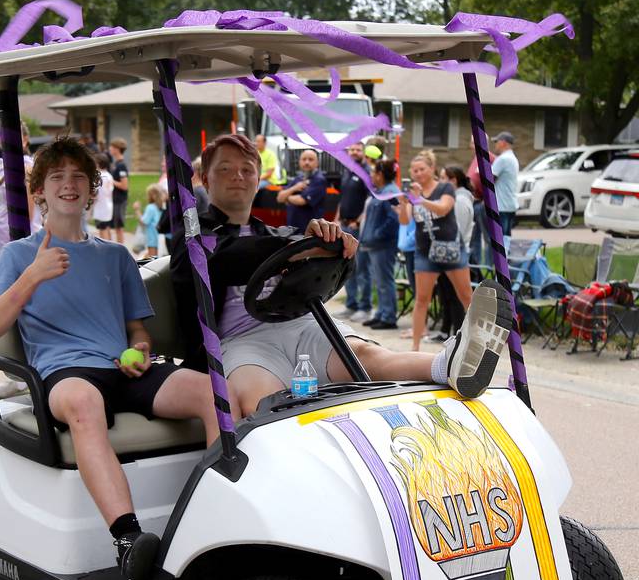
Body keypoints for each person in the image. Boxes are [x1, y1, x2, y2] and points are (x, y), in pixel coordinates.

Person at [0, 137, 225, 580]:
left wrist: (141, 348)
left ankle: (215, 514)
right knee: (85, 404)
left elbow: (138, 331)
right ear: (40, 192)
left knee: (212, 391)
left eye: (78, 177)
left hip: (124, 368)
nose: (68, 185)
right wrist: (32, 277)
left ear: (92, 190)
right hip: (65, 374)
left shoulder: (115, 255)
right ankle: (127, 538)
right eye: (57, 177)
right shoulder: (17, 256)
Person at [171, 134, 512, 418]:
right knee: (267, 402)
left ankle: (450, 362)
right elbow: (227, 259)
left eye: (247, 169)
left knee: (365, 356)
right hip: (239, 343)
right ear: (205, 179)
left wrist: (332, 243)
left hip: (300, 326)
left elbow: (287, 249)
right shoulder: (195, 237)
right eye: (226, 169)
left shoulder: (275, 232)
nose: (238, 177)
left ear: (259, 179)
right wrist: (300, 244)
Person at [398, 150, 474, 351]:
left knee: (466, 295)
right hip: (424, 251)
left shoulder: (445, 188)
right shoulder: (413, 195)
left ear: (432, 169)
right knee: (422, 299)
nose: (418, 174)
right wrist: (403, 204)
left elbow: (443, 209)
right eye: (414, 171)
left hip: (450, 249)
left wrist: (420, 200)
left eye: (422, 169)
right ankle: (415, 347)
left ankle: (477, 340)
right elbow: (405, 221)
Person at [431, 166, 476, 341]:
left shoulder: (460, 201)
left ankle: (458, 333)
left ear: (453, 181)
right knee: (445, 293)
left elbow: (457, 230)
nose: (439, 182)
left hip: (453, 254)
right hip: (444, 252)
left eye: (442, 178)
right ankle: (445, 330)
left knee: (456, 295)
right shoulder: (451, 199)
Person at [360, 159, 400, 329]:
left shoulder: (391, 193)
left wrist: (376, 235)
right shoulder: (381, 191)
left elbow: (393, 220)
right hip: (375, 245)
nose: (371, 175)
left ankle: (389, 317)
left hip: (384, 245)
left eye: (373, 172)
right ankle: (381, 313)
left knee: (385, 281)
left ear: (380, 174)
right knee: (379, 281)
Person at [334, 142, 372, 322]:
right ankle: (351, 305)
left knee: (361, 268)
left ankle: (365, 307)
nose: (355, 152)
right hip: (343, 224)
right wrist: (336, 218)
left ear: (363, 153)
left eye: (358, 149)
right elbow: (343, 199)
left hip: (357, 227)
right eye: (352, 149)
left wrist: (359, 221)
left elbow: (369, 200)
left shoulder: (366, 173)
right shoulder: (347, 171)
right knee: (346, 267)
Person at [275, 149, 327, 232]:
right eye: (304, 159)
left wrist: (287, 197)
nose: (307, 162)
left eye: (310, 159)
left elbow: (302, 200)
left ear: (317, 163)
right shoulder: (298, 178)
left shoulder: (319, 180)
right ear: (299, 162)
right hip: (292, 229)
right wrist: (294, 188)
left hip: (309, 232)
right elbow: (279, 198)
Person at [466, 134, 494, 267]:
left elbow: (493, 181)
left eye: (472, 143)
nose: (470, 146)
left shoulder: (490, 158)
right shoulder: (476, 159)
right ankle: (476, 268)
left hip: (483, 203)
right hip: (473, 203)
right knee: (473, 238)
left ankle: (490, 267)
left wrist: (486, 199)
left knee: (488, 238)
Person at [491, 131, 519, 237]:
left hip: (501, 205)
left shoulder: (502, 159)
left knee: (499, 239)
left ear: (503, 143)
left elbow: (490, 179)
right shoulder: (513, 158)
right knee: (506, 239)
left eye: (496, 142)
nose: (495, 145)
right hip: (510, 204)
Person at [133, 183, 165, 258]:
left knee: (152, 258)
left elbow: (144, 222)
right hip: (160, 237)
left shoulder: (151, 207)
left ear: (153, 196)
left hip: (152, 238)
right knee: (157, 257)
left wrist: (137, 210)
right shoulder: (162, 206)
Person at [107, 137, 129, 245]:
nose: (110, 149)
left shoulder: (121, 166)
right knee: (115, 226)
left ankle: (121, 249)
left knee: (119, 227)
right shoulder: (116, 164)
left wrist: (111, 180)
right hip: (114, 199)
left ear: (117, 149)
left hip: (120, 200)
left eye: (111, 147)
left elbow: (124, 186)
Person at [91, 152, 114, 240]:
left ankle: (105, 250)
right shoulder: (109, 175)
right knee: (107, 228)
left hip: (101, 207)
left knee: (102, 230)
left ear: (98, 164)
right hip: (108, 206)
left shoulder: (100, 177)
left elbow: (96, 193)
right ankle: (111, 248)